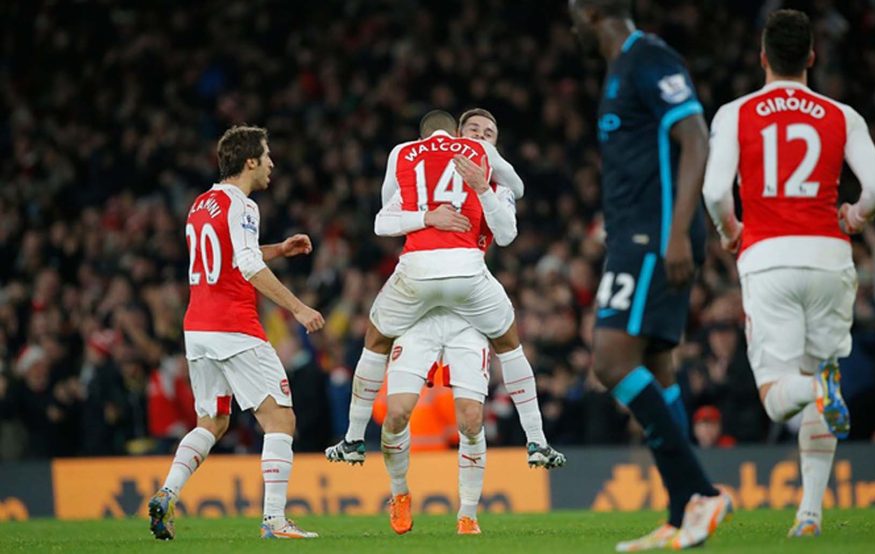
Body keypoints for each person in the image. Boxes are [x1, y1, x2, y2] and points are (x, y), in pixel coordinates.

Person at [702, 9, 875, 538]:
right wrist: (854, 216)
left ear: (763, 57)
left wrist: (728, 230)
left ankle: (816, 390)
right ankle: (809, 514)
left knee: (781, 394)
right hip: (830, 258)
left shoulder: (736, 113)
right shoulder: (841, 115)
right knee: (819, 371)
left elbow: (716, 192)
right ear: (812, 57)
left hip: (768, 257)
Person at [569, 0, 732, 550]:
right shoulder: (619, 68)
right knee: (658, 369)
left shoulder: (648, 58)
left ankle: (702, 492)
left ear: (592, 11)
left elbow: (696, 138)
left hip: (651, 240)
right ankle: (682, 510)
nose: (569, 18)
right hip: (638, 238)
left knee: (612, 361)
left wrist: (677, 232)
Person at [325, 110, 565, 469]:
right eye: (474, 130)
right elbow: (390, 211)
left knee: (470, 415)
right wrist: (428, 215)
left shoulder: (491, 182)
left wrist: (482, 187)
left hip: (452, 295)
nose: (481, 137)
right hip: (448, 289)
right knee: (403, 405)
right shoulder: (467, 156)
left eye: (489, 132)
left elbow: (507, 229)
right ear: (457, 134)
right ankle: (362, 444)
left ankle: (357, 440)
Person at [147, 126, 326, 541]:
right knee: (281, 417)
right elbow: (245, 266)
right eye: (267, 156)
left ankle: (168, 492)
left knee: (212, 421)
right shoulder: (243, 204)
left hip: (197, 329)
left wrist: (278, 249)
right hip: (234, 326)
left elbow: (228, 254)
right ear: (250, 161)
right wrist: (298, 308)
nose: (271, 164)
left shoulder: (200, 204)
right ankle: (274, 521)